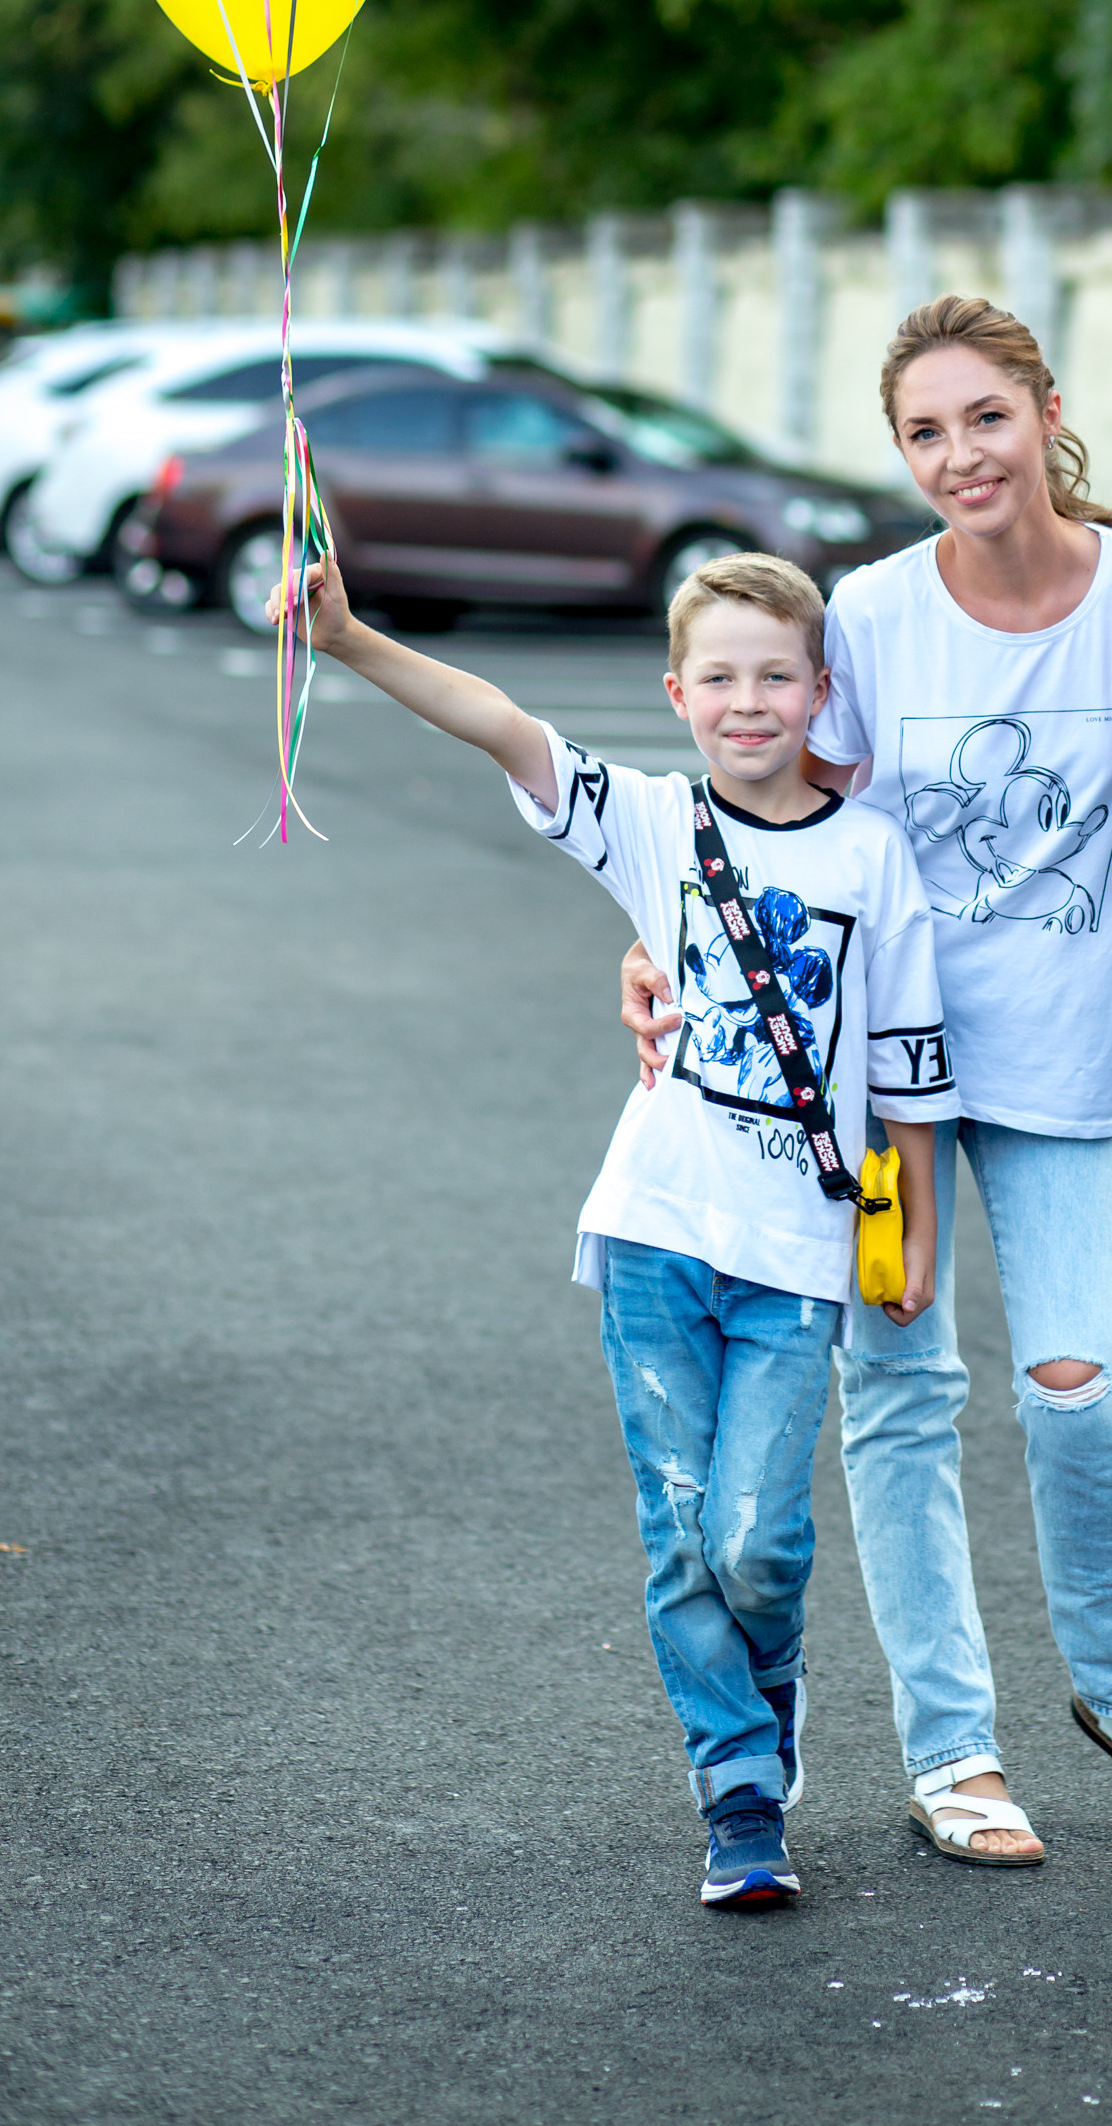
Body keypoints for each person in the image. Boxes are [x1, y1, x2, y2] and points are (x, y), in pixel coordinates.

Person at [623, 298, 1112, 1867]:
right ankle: (951, 1748)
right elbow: (764, 806)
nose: (959, 454)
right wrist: (659, 950)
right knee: (899, 1399)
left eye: (985, 416)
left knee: (1078, 1396)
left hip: (1064, 1074)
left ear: (1047, 409)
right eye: (923, 431)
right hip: (876, 1090)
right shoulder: (874, 616)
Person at [275, 545, 951, 1915]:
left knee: (759, 1539)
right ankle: (739, 1790)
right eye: (720, 678)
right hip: (651, 1229)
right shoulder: (650, 822)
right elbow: (503, 723)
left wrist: (919, 1233)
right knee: (681, 1526)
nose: (748, 702)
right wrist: (348, 641)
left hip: (799, 1253)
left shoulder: (873, 855)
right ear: (679, 692)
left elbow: (908, 1065)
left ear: (823, 690)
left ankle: (768, 1705)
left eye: (776, 676)